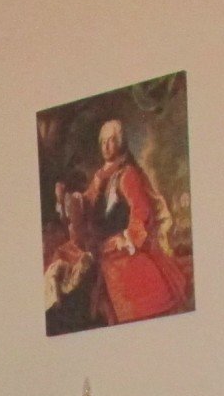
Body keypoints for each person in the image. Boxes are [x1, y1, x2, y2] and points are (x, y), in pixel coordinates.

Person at [47, 118, 191, 327]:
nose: (106, 146)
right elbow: (87, 202)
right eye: (103, 142)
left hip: (120, 243)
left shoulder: (127, 174)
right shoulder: (100, 176)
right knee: (63, 257)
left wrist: (127, 237)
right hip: (98, 242)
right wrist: (68, 199)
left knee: (122, 288)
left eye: (111, 140)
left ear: (120, 142)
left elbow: (141, 210)